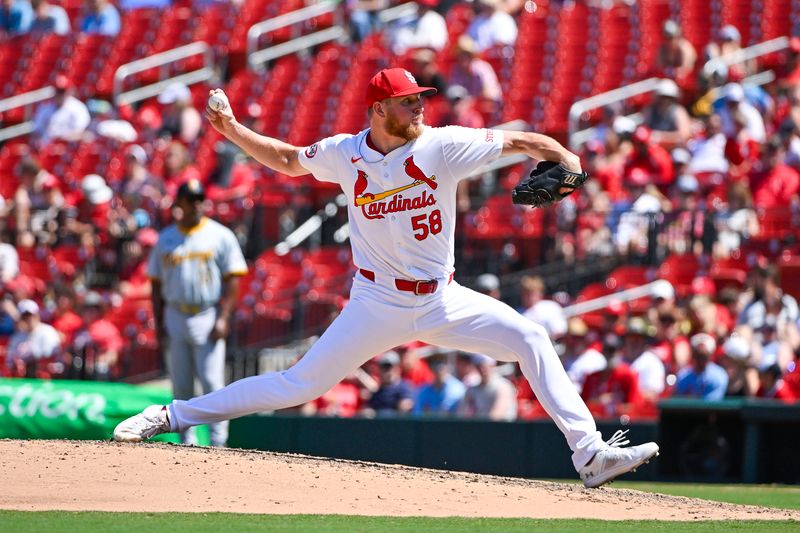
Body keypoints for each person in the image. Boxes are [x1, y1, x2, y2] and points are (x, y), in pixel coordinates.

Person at [115, 67, 659, 488]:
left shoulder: (441, 144)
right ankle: (170, 415)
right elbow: (285, 160)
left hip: (442, 298)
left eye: (421, 97)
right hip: (375, 301)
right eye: (408, 100)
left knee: (529, 337)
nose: (420, 105)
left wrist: (562, 152)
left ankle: (589, 453)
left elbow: (521, 141)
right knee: (298, 385)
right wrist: (232, 129)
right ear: (379, 109)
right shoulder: (345, 153)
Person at [146, 179, 248, 447]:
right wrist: (159, 324)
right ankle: (186, 441)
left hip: (207, 314)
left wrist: (224, 317)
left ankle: (219, 442)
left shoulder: (220, 235)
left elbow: (234, 279)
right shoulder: (166, 239)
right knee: (181, 384)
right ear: (179, 204)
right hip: (175, 314)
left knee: (213, 382)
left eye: (199, 199)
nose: (196, 204)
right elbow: (155, 285)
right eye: (190, 200)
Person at [6, 299, 61, 376]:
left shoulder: (48, 332)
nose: (29, 319)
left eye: (31, 315)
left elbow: (51, 357)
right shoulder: (17, 337)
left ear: (37, 315)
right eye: (25, 316)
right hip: (22, 379)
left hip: (45, 378)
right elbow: (10, 361)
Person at [31, 75, 91, 145]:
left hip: (70, 147)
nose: (59, 94)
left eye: (62, 91)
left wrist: (61, 138)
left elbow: (82, 133)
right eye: (58, 91)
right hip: (48, 147)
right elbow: (37, 131)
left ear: (69, 91)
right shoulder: (45, 107)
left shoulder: (78, 107)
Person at [459, 354, 517, 421]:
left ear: (492, 365)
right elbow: (462, 413)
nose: (482, 369)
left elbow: (497, 416)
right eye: (479, 366)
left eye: (485, 365)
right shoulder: (472, 389)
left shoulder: (504, 387)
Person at [674, 333, 729, 400]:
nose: (700, 360)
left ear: (710, 356)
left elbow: (712, 404)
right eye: (698, 355)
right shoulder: (683, 375)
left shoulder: (719, 375)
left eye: (704, 356)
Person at [414, 351, 465, 415]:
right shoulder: (424, 390)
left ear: (448, 366)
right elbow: (418, 414)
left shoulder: (458, 389)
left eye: (442, 362)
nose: (438, 367)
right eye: (434, 363)